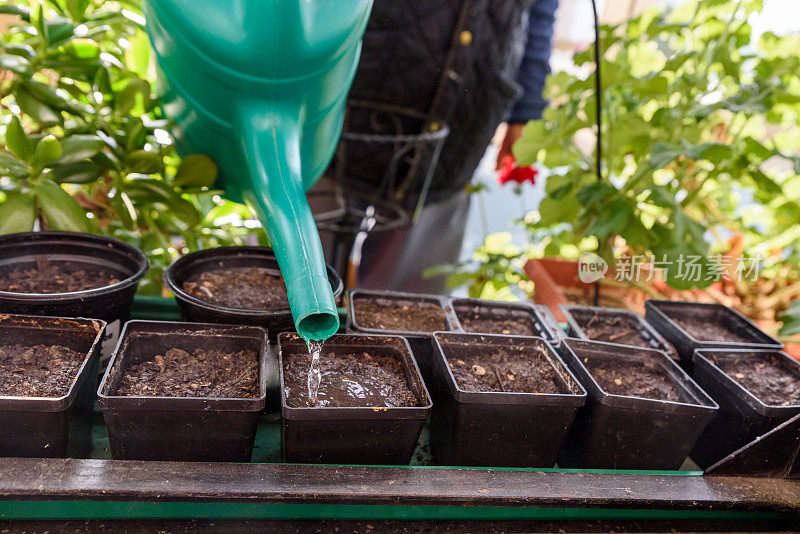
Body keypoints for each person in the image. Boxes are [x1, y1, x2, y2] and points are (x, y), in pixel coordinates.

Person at [323, 0, 559, 293]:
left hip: (462, 118)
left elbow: (540, 10)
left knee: (406, 310)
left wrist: (526, 110)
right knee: (297, 285)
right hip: (349, 91)